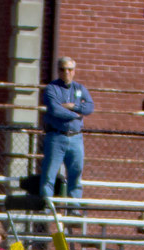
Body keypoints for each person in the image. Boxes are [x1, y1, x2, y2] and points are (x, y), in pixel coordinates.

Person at [39, 56, 95, 205]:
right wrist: (76, 116)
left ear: (74, 71)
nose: (66, 73)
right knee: (49, 172)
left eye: (70, 69)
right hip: (56, 136)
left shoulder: (80, 88)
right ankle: (47, 205)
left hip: (76, 138)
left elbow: (89, 107)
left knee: (76, 173)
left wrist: (71, 106)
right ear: (58, 71)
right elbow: (55, 109)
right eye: (63, 69)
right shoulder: (52, 88)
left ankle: (74, 207)